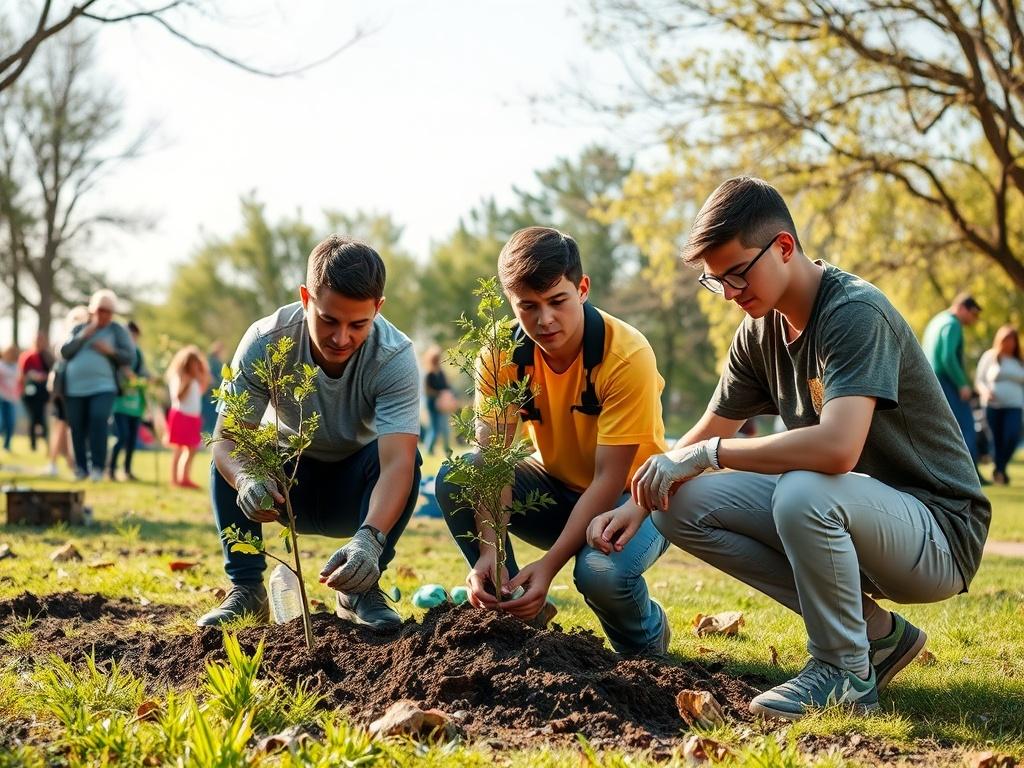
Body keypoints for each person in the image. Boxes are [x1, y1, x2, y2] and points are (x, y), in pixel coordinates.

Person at [588, 177, 991, 719]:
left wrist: (708, 458)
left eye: (736, 274)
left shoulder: (854, 312)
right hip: (856, 520)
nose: (729, 293)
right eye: (715, 281)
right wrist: (642, 498)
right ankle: (876, 637)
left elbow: (837, 449)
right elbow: (710, 428)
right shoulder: (758, 333)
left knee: (803, 488)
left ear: (782, 246)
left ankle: (844, 671)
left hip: (938, 534)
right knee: (681, 505)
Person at [435, 226, 671, 657]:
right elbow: (493, 460)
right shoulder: (500, 352)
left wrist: (548, 567)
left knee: (599, 573)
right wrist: (489, 548)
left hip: (632, 498)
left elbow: (607, 480)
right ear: (511, 302)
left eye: (557, 301)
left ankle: (646, 640)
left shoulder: (626, 355)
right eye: (528, 306)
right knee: (458, 476)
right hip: (554, 489)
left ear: (582, 289)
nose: (544, 320)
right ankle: (509, 601)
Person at [199, 235, 422, 630]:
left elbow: (396, 464)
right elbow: (227, 438)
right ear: (306, 297)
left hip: (356, 492)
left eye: (358, 325)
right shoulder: (267, 341)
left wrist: (369, 539)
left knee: (409, 460)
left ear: (378, 308)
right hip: (285, 486)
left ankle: (360, 587)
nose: (341, 338)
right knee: (235, 450)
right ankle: (247, 590)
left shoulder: (394, 356)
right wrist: (248, 478)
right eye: (329, 320)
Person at [60, 290, 136, 481]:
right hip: (74, 388)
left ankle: (98, 467)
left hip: (104, 386)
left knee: (98, 419)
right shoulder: (79, 329)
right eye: (100, 310)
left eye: (108, 311)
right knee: (77, 426)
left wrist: (110, 351)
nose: (104, 315)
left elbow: (129, 357)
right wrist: (85, 335)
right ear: (93, 310)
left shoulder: (117, 331)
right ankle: (81, 468)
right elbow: (65, 352)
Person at [922, 293, 983, 474]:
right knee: (965, 427)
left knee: (942, 429)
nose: (974, 319)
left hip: (931, 381)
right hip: (947, 382)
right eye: (973, 314)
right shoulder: (953, 324)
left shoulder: (937, 320)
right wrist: (962, 383)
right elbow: (948, 357)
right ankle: (970, 474)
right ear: (962, 308)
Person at [975, 325, 1024, 485]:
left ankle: (1000, 469)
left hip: (1015, 405)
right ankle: (1001, 472)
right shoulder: (990, 356)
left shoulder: (1019, 361)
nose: (1009, 343)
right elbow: (979, 380)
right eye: (1006, 339)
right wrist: (985, 392)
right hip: (993, 405)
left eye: (1012, 340)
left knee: (1012, 436)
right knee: (996, 440)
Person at [46, 305, 89, 476]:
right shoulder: (69, 340)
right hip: (65, 389)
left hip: (73, 389)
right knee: (63, 426)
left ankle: (72, 463)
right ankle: (55, 462)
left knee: (71, 428)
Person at [109, 321, 150, 481]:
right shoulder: (118, 353)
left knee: (133, 438)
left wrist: (149, 380)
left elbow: (143, 373)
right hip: (120, 403)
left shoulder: (138, 354)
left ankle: (127, 470)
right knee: (121, 436)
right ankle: (111, 469)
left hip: (135, 404)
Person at [165, 344, 210, 488]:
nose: (196, 366)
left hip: (192, 417)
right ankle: (175, 479)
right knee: (178, 448)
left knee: (192, 449)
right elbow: (178, 396)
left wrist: (202, 376)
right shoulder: (180, 376)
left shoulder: (194, 379)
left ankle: (184, 477)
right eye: (194, 363)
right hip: (181, 415)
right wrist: (189, 381)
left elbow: (200, 392)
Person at [17, 332, 52, 452]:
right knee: (33, 418)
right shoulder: (27, 356)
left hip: (42, 392)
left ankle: (47, 444)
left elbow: (52, 373)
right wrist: (32, 376)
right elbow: (21, 375)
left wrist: (44, 377)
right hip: (29, 392)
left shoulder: (47, 356)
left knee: (42, 418)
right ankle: (33, 445)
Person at [422, 345, 453, 455]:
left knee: (444, 427)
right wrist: (439, 393)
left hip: (442, 403)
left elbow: (447, 386)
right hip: (432, 403)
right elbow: (427, 391)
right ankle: (429, 449)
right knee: (434, 428)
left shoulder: (441, 373)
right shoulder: (429, 374)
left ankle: (446, 449)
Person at [202, 340, 225, 437]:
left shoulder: (215, 361)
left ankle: (210, 436)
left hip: (214, 393)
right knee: (210, 417)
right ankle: (208, 436)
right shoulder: (212, 361)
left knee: (211, 417)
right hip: (210, 394)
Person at [0, 345, 19, 453]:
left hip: (11, 399)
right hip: (1, 398)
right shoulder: (1, 365)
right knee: (1, 423)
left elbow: (19, 381)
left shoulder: (16, 366)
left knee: (10, 423)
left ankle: (7, 445)